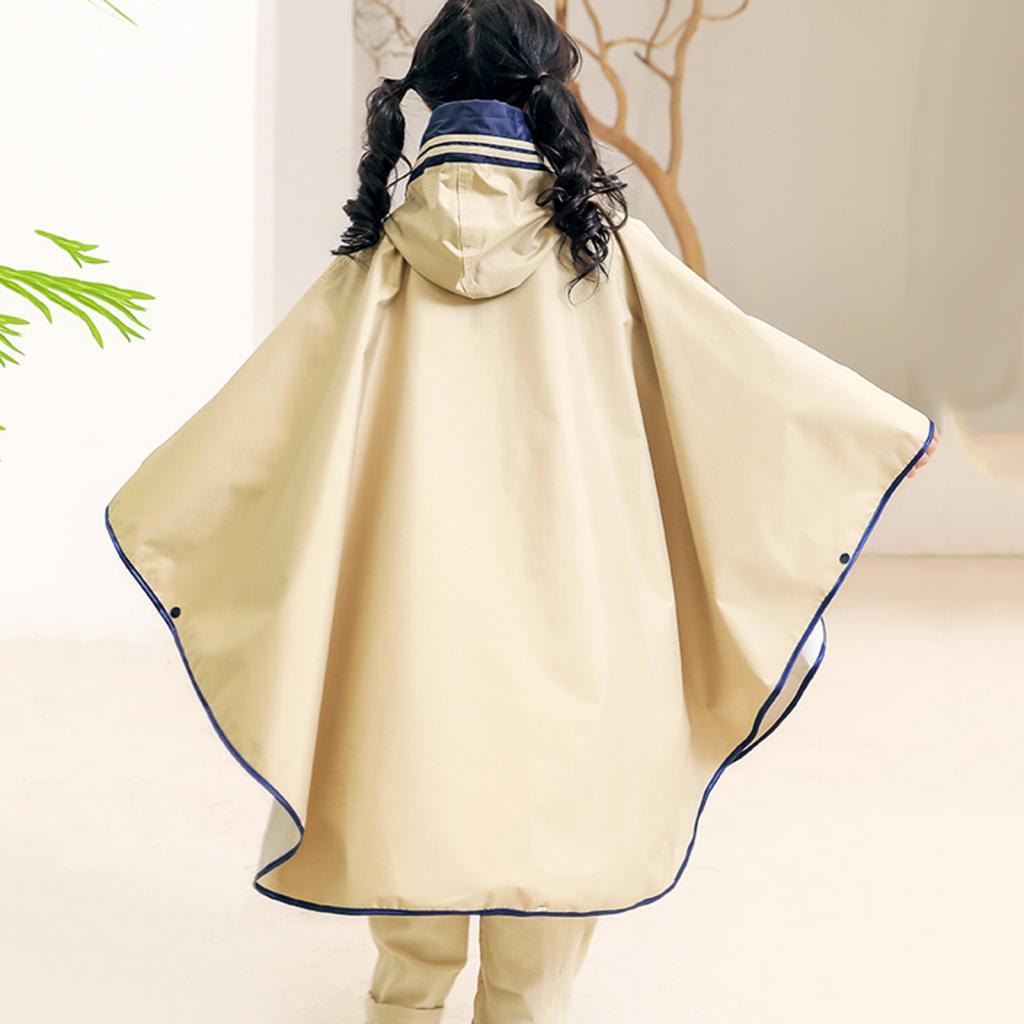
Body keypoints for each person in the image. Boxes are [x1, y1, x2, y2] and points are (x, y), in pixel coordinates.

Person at [104, 1, 939, 1021]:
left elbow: (264, 424)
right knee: (554, 857)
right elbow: (740, 372)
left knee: (407, 830)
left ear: (427, 97)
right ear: (549, 90)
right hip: (578, 613)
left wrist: (165, 505)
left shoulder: (374, 265)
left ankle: (405, 1002)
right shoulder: (606, 252)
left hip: (405, 617)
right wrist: (876, 431)